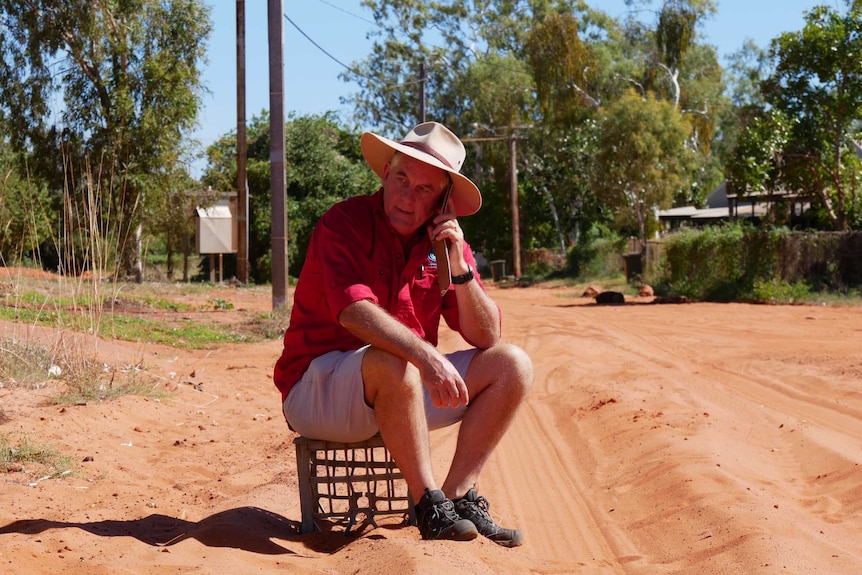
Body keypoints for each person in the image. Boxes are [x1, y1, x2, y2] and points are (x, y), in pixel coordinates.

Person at [273, 121, 533, 547]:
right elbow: (354, 313)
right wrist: (428, 358)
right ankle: (428, 506)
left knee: (511, 365)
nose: (407, 197)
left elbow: (486, 335)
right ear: (385, 173)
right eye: (401, 179)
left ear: (444, 200)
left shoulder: (445, 244)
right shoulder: (344, 223)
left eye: (425, 189)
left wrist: (461, 269)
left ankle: (456, 498)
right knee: (395, 359)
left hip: (402, 390)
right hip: (318, 390)